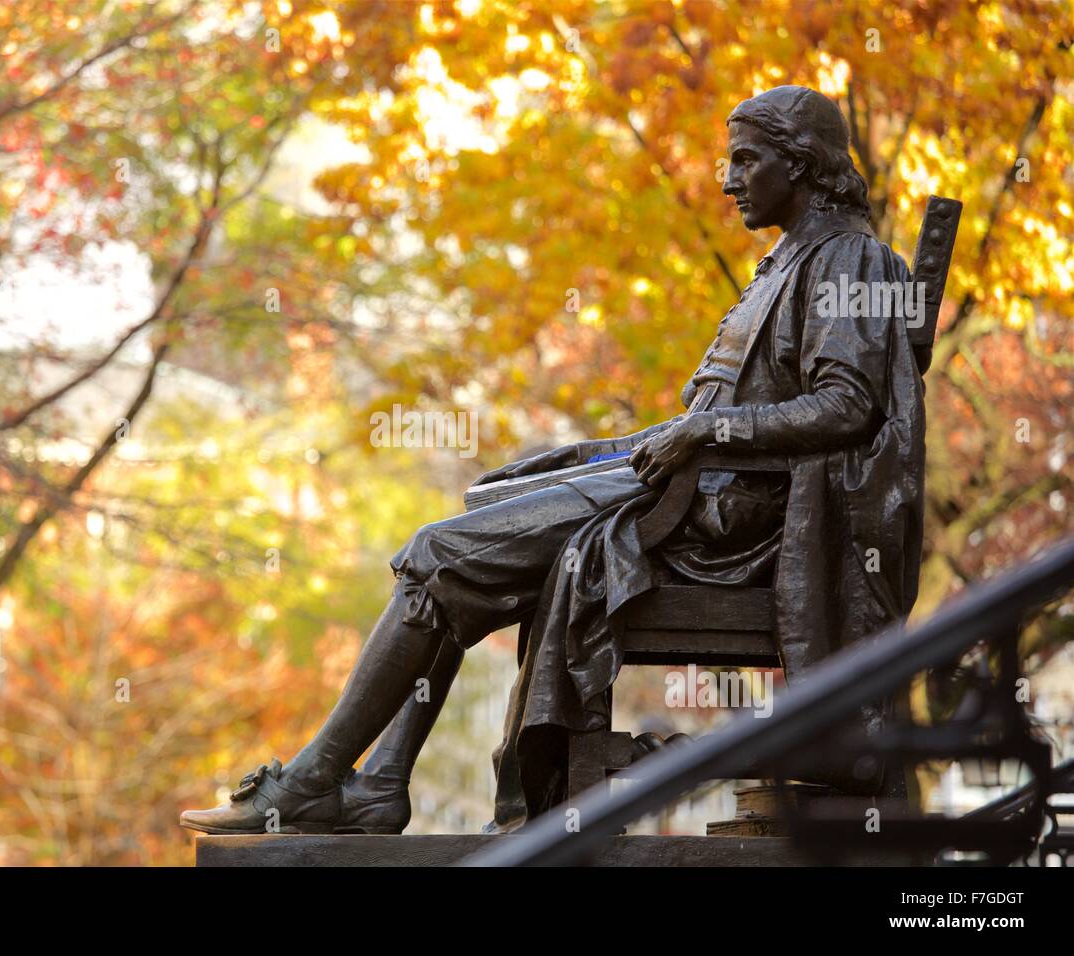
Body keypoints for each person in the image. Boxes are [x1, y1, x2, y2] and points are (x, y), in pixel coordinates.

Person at [180, 85, 926, 835]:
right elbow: (718, 417)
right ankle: (378, 782)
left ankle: (317, 780)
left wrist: (705, 435)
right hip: (693, 493)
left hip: (730, 524)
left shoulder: (849, 261)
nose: (728, 179)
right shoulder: (790, 260)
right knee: (478, 512)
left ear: (799, 164)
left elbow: (846, 409)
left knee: (435, 555)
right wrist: (610, 451)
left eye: (745, 160)